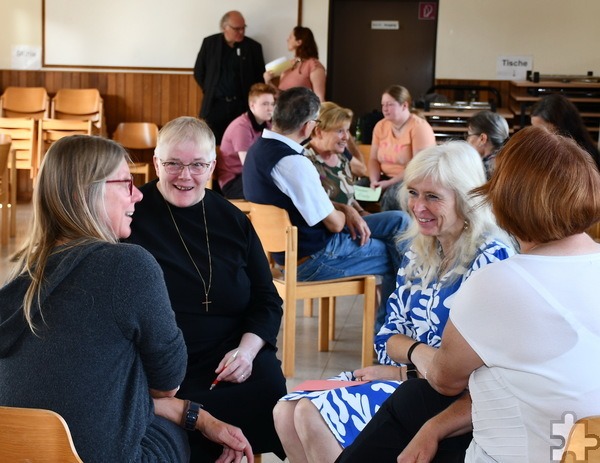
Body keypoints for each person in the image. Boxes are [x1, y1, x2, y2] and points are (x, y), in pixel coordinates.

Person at [337, 126, 600, 463]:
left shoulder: (501, 278)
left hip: (517, 449)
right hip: (571, 442)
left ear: (505, 199)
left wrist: (410, 367)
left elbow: (445, 380)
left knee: (409, 404)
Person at [0, 135, 254, 463]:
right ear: (84, 193)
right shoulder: (127, 265)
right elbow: (167, 385)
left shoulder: (17, 271)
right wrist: (193, 416)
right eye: (125, 183)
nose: (137, 195)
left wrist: (193, 414)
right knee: (181, 438)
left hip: (17, 452)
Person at [272, 140, 514, 463]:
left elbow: (471, 370)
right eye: (413, 193)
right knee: (284, 411)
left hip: (448, 401)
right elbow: (387, 337)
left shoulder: (490, 259)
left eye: (433, 197)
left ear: (466, 199)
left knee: (308, 415)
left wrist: (407, 369)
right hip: (403, 378)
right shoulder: (419, 250)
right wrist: (419, 359)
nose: (418, 207)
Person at [128, 117, 287, 462]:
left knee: (269, 386)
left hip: (231, 354)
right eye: (173, 164)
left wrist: (246, 352)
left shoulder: (232, 218)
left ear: (212, 165)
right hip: (164, 363)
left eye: (197, 165)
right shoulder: (131, 217)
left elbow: (267, 299)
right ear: (157, 162)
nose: (185, 176)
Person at [243, 86, 409, 336]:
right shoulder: (294, 163)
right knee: (400, 251)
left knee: (400, 221)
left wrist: (345, 208)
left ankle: (391, 329)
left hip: (291, 253)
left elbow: (321, 209)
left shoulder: (258, 150)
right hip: (314, 258)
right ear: (308, 126)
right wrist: (348, 213)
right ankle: (389, 334)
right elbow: (334, 224)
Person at [193, 11, 265, 144]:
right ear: (224, 27)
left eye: (243, 28)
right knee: (210, 143)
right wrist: (210, 90)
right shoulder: (210, 43)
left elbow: (259, 77)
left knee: (240, 143)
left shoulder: (253, 48)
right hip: (215, 105)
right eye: (237, 29)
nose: (241, 31)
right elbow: (199, 72)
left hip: (242, 106)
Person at [368, 85, 436, 211]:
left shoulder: (419, 127)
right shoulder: (380, 126)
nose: (385, 109)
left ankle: (386, 230)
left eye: (389, 105)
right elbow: (373, 159)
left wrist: (388, 184)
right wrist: (374, 181)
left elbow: (418, 167)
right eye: (383, 105)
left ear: (404, 105)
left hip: (411, 180)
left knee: (391, 196)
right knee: (355, 189)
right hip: (384, 178)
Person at [217, 83, 277, 199]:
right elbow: (248, 165)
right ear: (252, 105)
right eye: (265, 104)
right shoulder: (241, 127)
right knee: (274, 190)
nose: (270, 108)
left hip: (249, 176)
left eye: (272, 104)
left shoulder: (267, 125)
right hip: (233, 181)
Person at [531, 93, 600, 171]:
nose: (536, 134)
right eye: (534, 127)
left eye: (543, 130)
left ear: (561, 127)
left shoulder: (582, 159)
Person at [264, 26, 326, 101]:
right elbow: (280, 95)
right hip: (284, 111)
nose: (287, 39)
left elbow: (320, 99)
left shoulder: (314, 65)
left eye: (290, 37)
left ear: (299, 42)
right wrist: (268, 81)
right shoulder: (289, 65)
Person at [464, 110, 509, 179]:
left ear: (482, 139)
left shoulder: (484, 170)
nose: (467, 140)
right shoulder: (508, 161)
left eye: (469, 135)